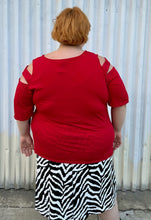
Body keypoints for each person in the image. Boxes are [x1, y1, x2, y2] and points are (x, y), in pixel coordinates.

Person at [14, 7, 129, 220]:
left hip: (53, 149)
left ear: (56, 30)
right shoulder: (103, 66)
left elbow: (21, 109)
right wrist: (117, 130)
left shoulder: (33, 69)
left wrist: (24, 135)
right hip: (96, 146)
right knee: (105, 196)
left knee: (64, 206)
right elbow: (120, 102)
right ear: (85, 32)